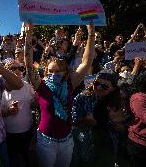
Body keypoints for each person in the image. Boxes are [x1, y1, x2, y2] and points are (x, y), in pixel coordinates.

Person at [24, 22, 95, 167]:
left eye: (57, 71)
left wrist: (91, 33)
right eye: (50, 71)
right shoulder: (41, 86)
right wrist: (29, 34)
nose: (53, 74)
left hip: (67, 140)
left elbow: (87, 62)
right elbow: (29, 64)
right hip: (46, 141)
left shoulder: (70, 84)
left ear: (65, 73)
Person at [2, 60, 35, 167]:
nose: (17, 71)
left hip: (27, 129)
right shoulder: (1, 87)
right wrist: (8, 111)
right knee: (12, 157)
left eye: (20, 68)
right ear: (6, 71)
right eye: (13, 68)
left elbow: (33, 104)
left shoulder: (27, 86)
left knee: (25, 155)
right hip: (9, 131)